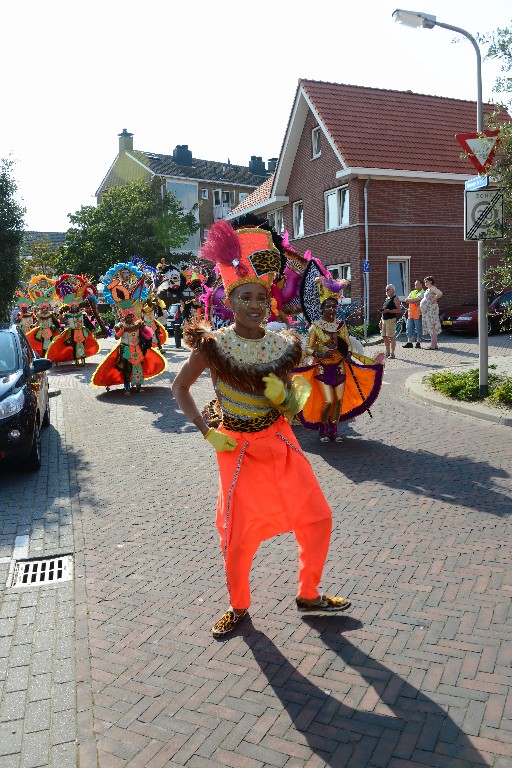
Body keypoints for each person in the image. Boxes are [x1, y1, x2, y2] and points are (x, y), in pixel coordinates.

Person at [171, 220, 351, 639]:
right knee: (238, 535)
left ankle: (309, 593)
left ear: (270, 303)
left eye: (260, 297)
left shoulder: (279, 343)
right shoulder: (213, 345)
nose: (255, 305)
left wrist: (284, 399)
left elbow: (294, 402)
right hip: (235, 447)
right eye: (245, 297)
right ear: (230, 302)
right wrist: (204, 430)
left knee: (318, 518)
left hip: (280, 441)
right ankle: (238, 606)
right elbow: (180, 388)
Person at [295, 276, 384, 443]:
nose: (332, 309)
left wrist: (348, 354)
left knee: (338, 400)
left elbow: (348, 345)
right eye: (328, 306)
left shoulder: (341, 326)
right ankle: (323, 426)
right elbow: (308, 348)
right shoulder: (315, 327)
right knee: (328, 401)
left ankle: (334, 428)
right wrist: (318, 354)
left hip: (339, 367)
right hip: (322, 368)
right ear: (323, 308)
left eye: (334, 306)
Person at [91, 303, 166, 393]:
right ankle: (127, 388)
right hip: (126, 349)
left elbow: (148, 334)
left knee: (138, 368)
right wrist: (121, 329)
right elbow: (117, 337)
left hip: (137, 349)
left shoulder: (138, 325)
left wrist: (146, 331)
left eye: (131, 316)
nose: (130, 318)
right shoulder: (122, 327)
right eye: (128, 317)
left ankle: (138, 386)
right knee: (126, 369)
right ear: (125, 318)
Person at [420, 276, 443, 350]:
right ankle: (435, 345)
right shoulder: (428, 289)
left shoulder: (433, 288)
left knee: (432, 326)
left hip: (431, 310)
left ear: (430, 281)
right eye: (425, 282)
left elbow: (439, 293)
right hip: (428, 310)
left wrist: (434, 299)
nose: (425, 283)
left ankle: (432, 345)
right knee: (431, 326)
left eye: (426, 281)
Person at [381, 284, 402, 358]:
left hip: (390, 320)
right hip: (384, 320)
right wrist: (381, 320)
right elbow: (384, 310)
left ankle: (392, 353)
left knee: (391, 336)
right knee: (384, 336)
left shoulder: (395, 298)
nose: (386, 291)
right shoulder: (387, 299)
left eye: (387, 290)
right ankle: (387, 352)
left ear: (392, 290)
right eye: (386, 290)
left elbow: (399, 310)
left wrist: (388, 311)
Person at [403, 280, 425, 349]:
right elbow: (406, 300)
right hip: (411, 314)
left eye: (416, 284)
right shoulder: (412, 292)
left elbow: (418, 299)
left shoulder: (423, 293)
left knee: (419, 329)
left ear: (421, 285)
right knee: (409, 328)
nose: (415, 286)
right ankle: (410, 343)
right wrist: (414, 300)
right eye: (415, 285)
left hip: (418, 314)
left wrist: (413, 300)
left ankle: (418, 343)